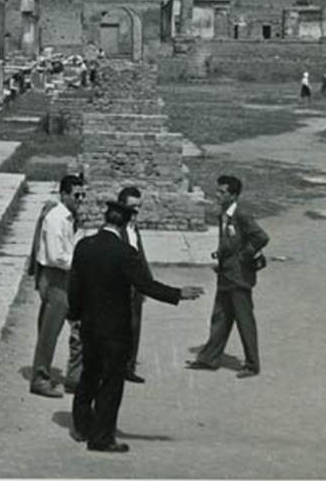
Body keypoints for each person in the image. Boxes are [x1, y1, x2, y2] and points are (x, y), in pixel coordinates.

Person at [69, 201, 203, 452]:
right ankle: (101, 438)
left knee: (89, 375)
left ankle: (82, 427)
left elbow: (74, 285)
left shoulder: (84, 246)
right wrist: (178, 294)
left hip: (89, 325)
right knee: (110, 382)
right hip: (115, 331)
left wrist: (74, 314)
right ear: (124, 225)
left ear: (106, 220)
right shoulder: (125, 253)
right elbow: (146, 285)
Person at [187, 174, 269, 378]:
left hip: (239, 277)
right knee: (220, 317)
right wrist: (221, 258)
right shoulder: (223, 214)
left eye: (222, 192)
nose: (217, 195)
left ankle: (252, 364)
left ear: (233, 195)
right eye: (218, 191)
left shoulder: (242, 215)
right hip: (225, 275)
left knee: (244, 320)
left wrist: (242, 257)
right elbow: (228, 241)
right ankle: (209, 358)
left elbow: (261, 237)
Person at [28, 174, 86, 398]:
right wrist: (83, 262)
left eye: (82, 195)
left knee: (79, 324)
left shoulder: (70, 217)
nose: (80, 199)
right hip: (55, 278)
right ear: (63, 194)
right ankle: (39, 378)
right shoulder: (56, 218)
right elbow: (55, 256)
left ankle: (75, 375)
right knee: (49, 330)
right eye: (76, 195)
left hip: (67, 276)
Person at [117, 186, 150, 384]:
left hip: (135, 287)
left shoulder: (133, 228)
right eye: (132, 207)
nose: (136, 211)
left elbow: (140, 256)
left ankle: (128, 367)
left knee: (135, 326)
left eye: (139, 207)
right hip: (120, 287)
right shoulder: (116, 229)